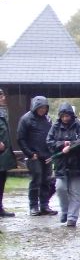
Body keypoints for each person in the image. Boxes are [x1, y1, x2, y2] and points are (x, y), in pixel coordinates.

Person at [46, 103, 80, 227]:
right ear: (60, 116)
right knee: (60, 188)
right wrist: (62, 144)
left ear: (71, 115)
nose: (65, 118)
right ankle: (65, 210)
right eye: (63, 116)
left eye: (67, 116)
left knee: (75, 191)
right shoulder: (55, 126)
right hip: (61, 164)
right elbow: (49, 142)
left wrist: (71, 146)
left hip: (77, 164)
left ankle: (72, 218)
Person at [17, 95, 58, 216]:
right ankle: (33, 206)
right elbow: (20, 139)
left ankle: (44, 205)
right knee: (36, 179)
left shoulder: (48, 119)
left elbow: (52, 136)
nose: (43, 110)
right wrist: (29, 154)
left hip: (47, 155)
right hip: (33, 156)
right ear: (35, 107)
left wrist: (52, 152)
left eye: (45, 108)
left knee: (47, 180)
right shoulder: (26, 119)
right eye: (41, 107)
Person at [0, 89, 18, 218]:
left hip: (3, 155)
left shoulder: (3, 112)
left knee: (1, 181)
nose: (3, 97)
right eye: (1, 95)